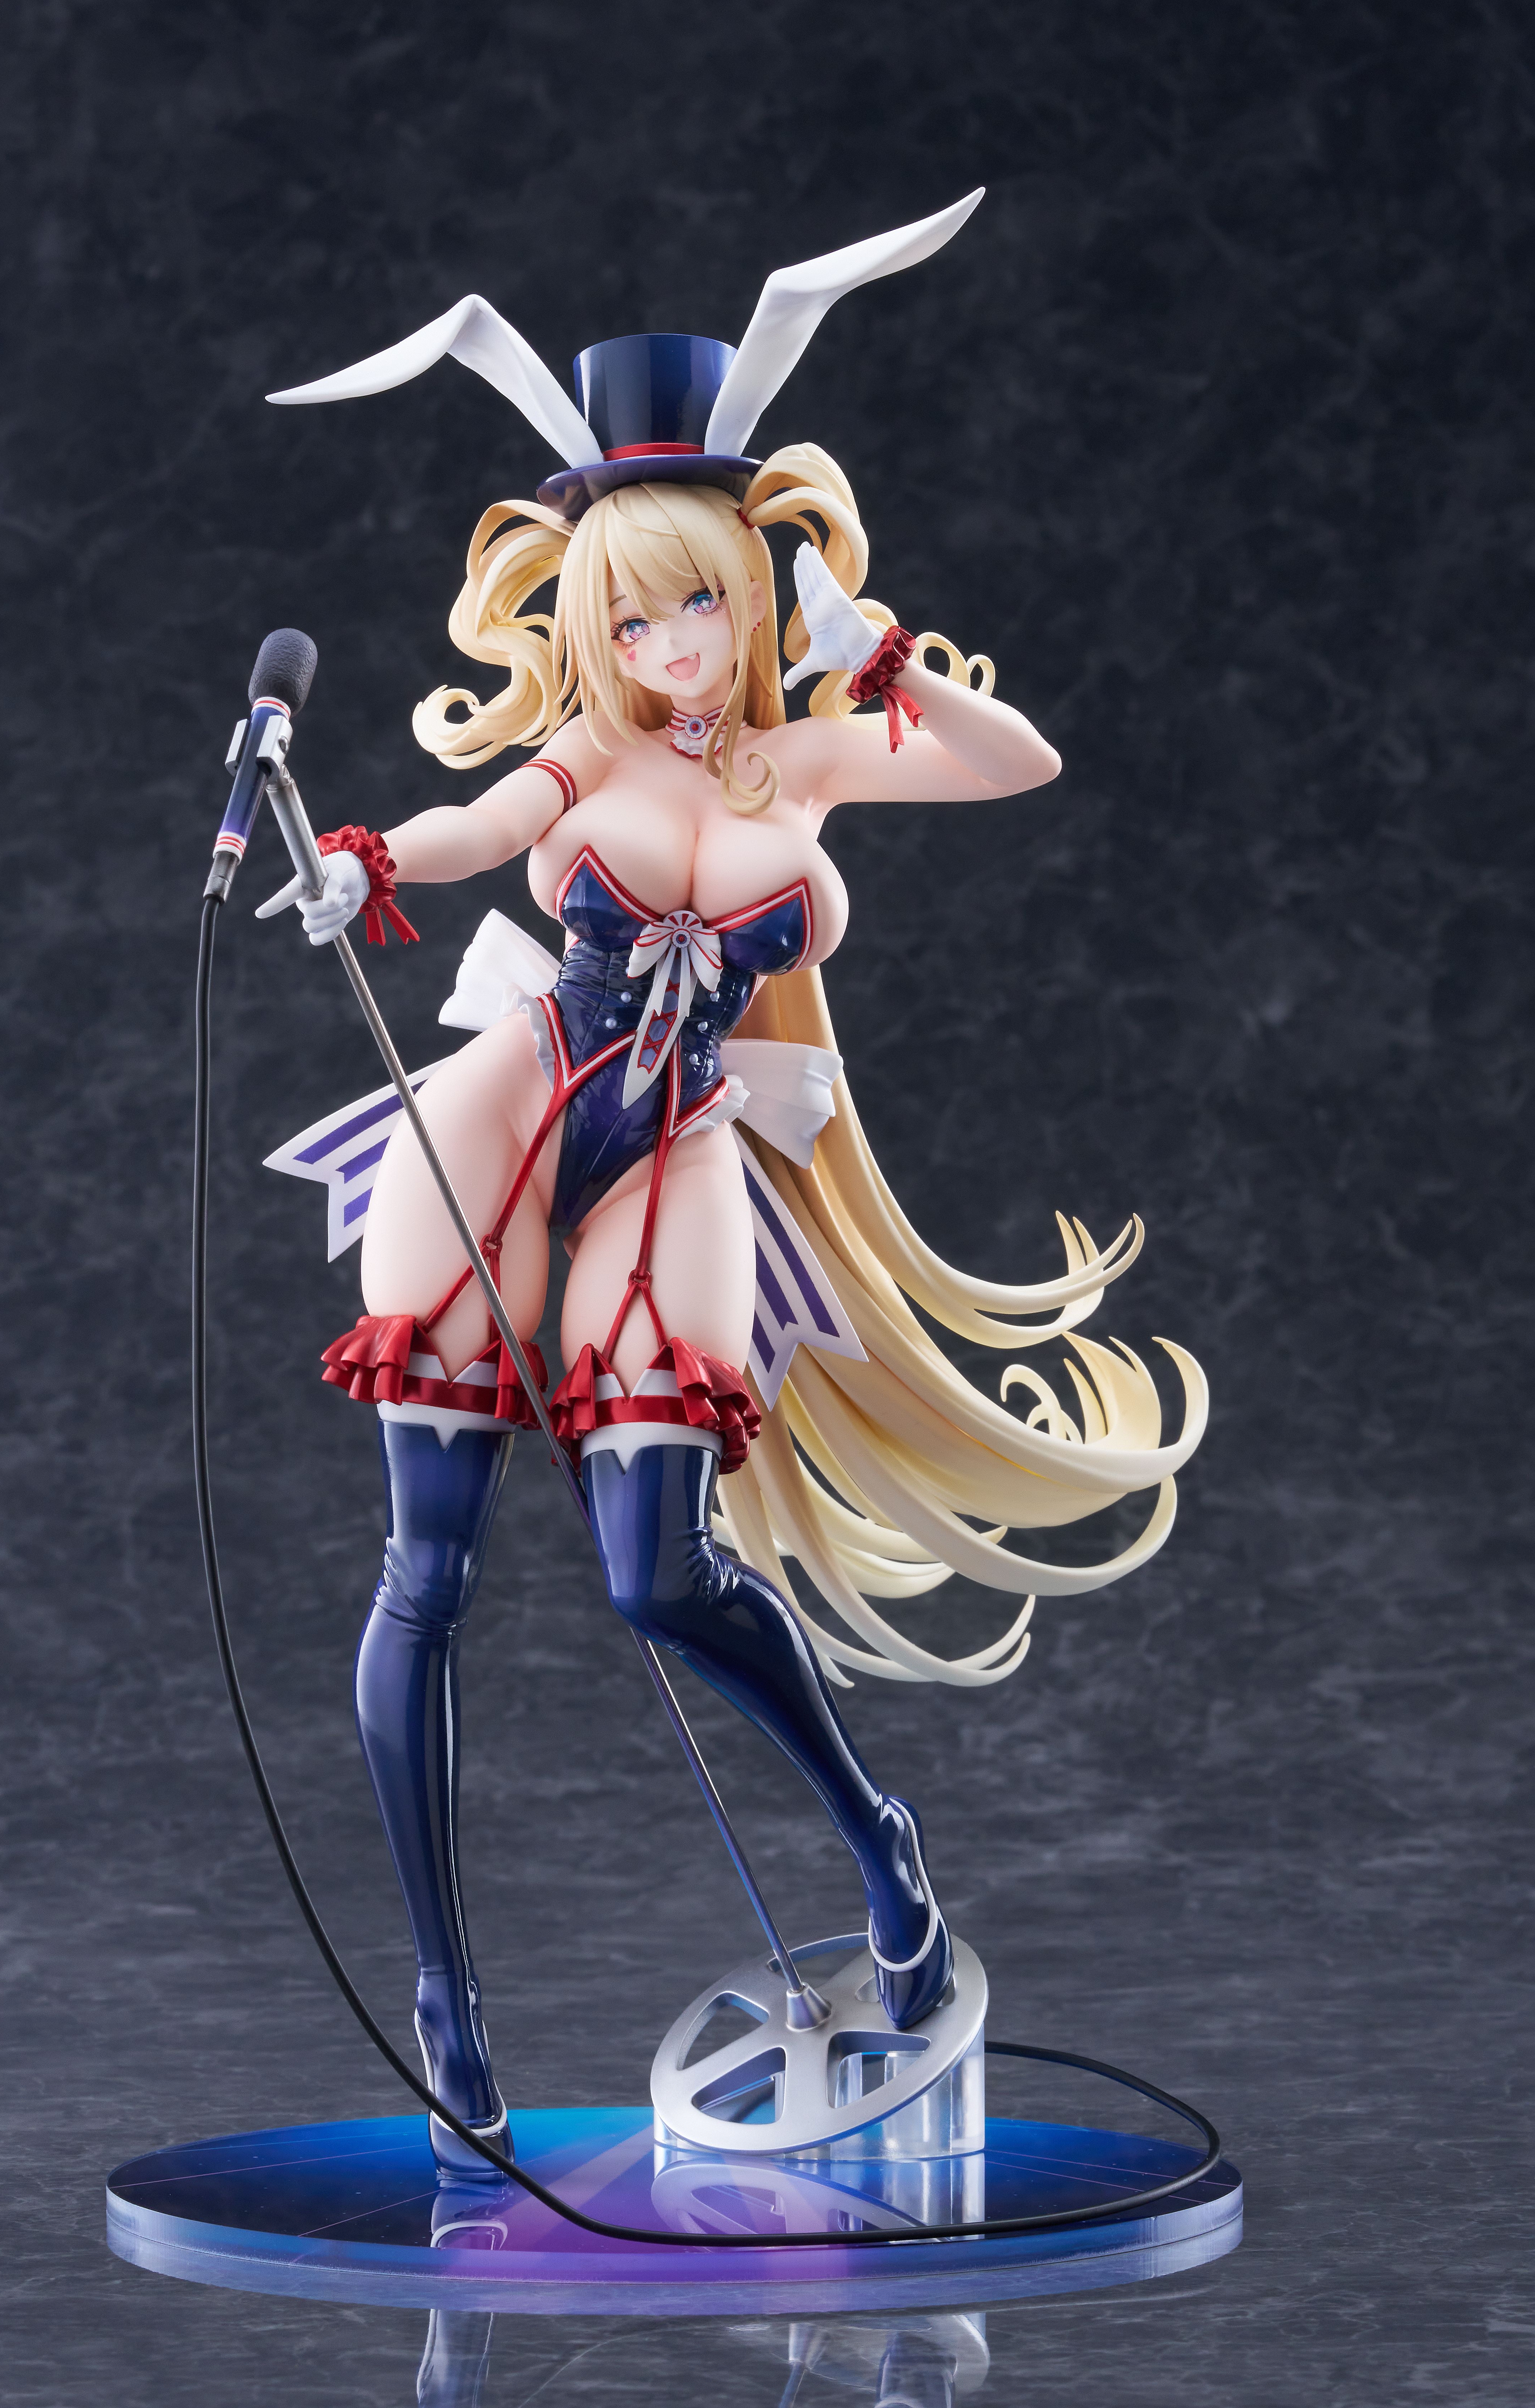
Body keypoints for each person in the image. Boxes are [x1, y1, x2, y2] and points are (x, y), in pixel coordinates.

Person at [257, 204, 1207, 2170]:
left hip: (680, 1142)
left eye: (693, 607)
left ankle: (883, 1844)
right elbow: (471, 822)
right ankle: (446, 1998)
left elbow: (1017, 763)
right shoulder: (581, 767)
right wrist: (362, 862)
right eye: (626, 620)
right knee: (424, 1572)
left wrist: (886, 657)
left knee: (659, 1573)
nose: (663, 650)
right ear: (587, 626)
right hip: (514, 1110)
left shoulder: (802, 759)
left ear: (747, 594)